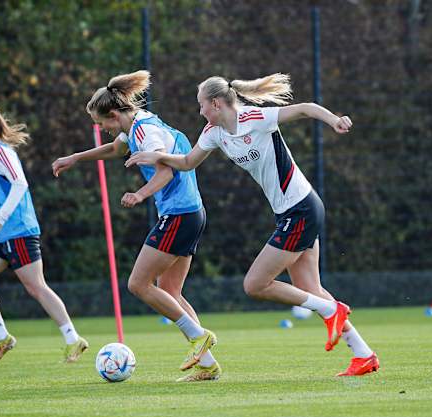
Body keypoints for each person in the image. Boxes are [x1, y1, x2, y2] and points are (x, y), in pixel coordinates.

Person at [125, 74, 379, 376]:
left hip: (301, 208)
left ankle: (330, 309)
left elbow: (305, 108)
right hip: (290, 213)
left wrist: (334, 120)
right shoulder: (214, 133)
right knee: (310, 288)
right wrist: (158, 156)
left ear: (216, 104)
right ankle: (363, 354)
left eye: (201, 105)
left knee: (255, 284)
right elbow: (188, 162)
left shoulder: (255, 118)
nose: (200, 111)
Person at [51, 70, 220, 382]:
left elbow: (167, 172)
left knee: (138, 284)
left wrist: (140, 194)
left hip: (179, 215)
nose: (102, 130)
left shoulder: (146, 133)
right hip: (190, 213)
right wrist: (75, 157)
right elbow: (116, 150)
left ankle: (199, 337)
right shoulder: (138, 122)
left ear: (114, 115)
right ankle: (207, 365)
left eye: (101, 124)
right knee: (170, 291)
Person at [0, 103, 88, 366]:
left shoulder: (0, 152)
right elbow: (6, 191)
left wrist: (0, 217)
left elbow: (20, 183)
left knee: (36, 287)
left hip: (19, 231)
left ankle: (73, 339)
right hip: (4, 234)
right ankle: (2, 338)